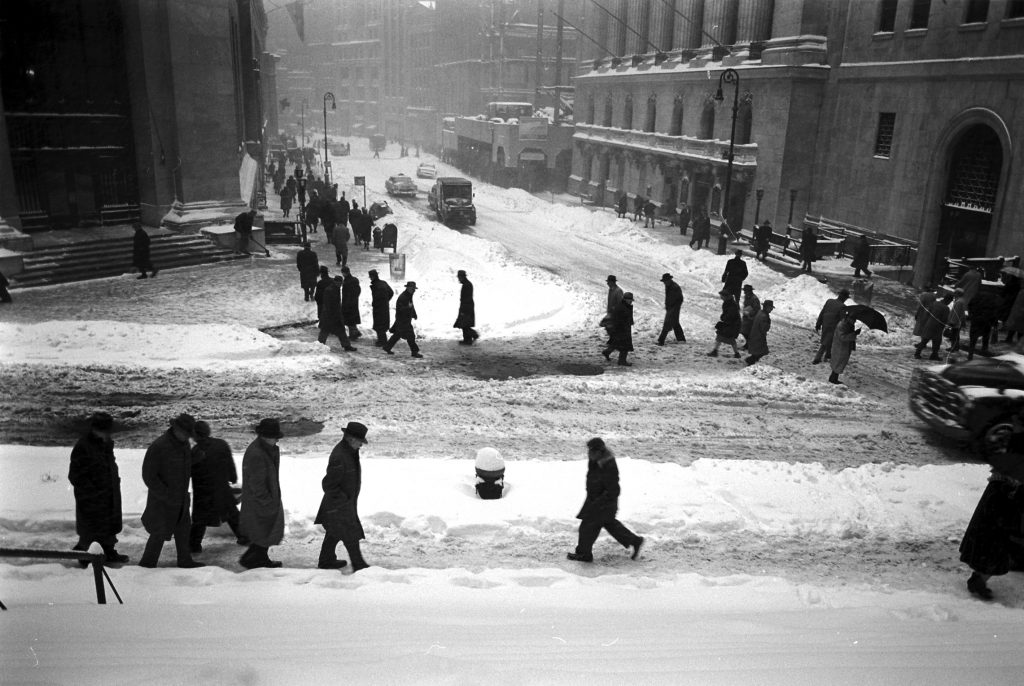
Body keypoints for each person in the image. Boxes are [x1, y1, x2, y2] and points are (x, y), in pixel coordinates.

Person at [958, 423, 1024, 600]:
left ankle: (984, 574)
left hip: (1005, 490)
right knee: (995, 541)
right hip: (1006, 494)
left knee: (997, 540)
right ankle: (979, 579)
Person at [139, 413, 205, 568]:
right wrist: (165, 494)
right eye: (184, 433)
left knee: (183, 532)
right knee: (158, 534)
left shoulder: (184, 445)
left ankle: (185, 560)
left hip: (181, 498)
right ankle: (146, 566)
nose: (186, 436)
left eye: (188, 434)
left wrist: (196, 457)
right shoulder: (159, 446)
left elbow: (184, 465)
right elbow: (148, 475)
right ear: (175, 428)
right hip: (163, 502)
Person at [566, 437, 644, 563]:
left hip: (604, 504)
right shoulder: (594, 461)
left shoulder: (608, 465)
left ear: (599, 451)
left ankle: (584, 554)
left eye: (591, 451)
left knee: (588, 526)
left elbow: (613, 490)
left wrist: (598, 502)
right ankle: (635, 541)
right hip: (595, 501)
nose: (588, 453)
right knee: (611, 525)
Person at [69, 412, 127, 565]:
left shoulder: (104, 444)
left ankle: (108, 551)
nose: (108, 434)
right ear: (96, 429)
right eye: (105, 430)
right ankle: (84, 556)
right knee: (91, 530)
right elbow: (75, 476)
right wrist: (92, 493)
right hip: (92, 499)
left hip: (108, 495)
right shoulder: (83, 446)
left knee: (107, 527)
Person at [315, 421, 371, 572]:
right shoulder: (340, 456)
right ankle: (358, 563)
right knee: (350, 533)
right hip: (338, 504)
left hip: (342, 502)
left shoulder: (349, 452)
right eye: (360, 442)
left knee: (334, 531)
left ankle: (326, 560)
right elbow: (328, 485)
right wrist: (343, 500)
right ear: (351, 439)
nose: (361, 445)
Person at [189, 421, 246, 554]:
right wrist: (233, 478)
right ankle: (244, 537)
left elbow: (190, 470)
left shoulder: (195, 449)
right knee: (232, 513)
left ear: (195, 434)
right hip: (221, 486)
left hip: (202, 489)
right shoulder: (221, 444)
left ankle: (194, 545)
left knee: (200, 519)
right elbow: (229, 463)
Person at [238, 419, 287, 569]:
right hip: (260, 502)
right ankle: (250, 559)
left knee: (265, 532)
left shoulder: (264, 449)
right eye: (275, 436)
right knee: (263, 532)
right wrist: (268, 501)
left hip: (263, 500)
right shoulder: (257, 454)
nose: (277, 439)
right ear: (265, 436)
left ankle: (260, 558)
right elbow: (257, 484)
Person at [384, 281, 423, 358]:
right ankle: (414, 352)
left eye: (414, 288)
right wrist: (408, 308)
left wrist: (414, 313)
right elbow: (401, 309)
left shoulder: (408, 295)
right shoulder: (403, 297)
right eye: (412, 288)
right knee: (410, 336)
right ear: (408, 288)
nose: (414, 290)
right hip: (403, 320)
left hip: (404, 320)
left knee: (398, 334)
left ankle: (387, 347)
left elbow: (411, 306)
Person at [318, 276, 356, 351]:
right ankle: (319, 346)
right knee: (325, 331)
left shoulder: (336, 288)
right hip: (329, 315)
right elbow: (328, 304)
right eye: (340, 283)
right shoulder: (329, 290)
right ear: (336, 282)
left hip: (335, 314)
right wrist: (332, 315)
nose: (341, 285)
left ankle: (347, 346)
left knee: (341, 331)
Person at [812, 289, 850, 365]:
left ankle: (828, 355)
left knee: (829, 341)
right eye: (846, 298)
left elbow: (822, 312)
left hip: (825, 324)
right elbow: (842, 320)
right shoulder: (843, 307)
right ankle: (817, 358)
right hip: (833, 327)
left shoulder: (829, 301)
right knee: (826, 342)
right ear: (844, 298)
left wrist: (818, 323)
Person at [601, 291, 635, 367]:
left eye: (631, 300)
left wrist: (630, 321)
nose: (630, 301)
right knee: (624, 346)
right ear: (625, 299)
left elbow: (628, 316)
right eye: (629, 300)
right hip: (621, 329)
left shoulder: (626, 306)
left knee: (616, 343)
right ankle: (622, 361)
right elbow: (617, 319)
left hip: (623, 328)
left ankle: (607, 352)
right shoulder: (621, 307)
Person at [914, 293, 952, 360]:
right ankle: (934, 355)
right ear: (948, 300)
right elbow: (944, 320)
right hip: (937, 328)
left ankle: (917, 353)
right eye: (950, 301)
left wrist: (925, 322)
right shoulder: (946, 308)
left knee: (924, 340)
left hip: (929, 324)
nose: (950, 303)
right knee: (937, 342)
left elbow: (927, 313)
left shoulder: (934, 303)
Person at [827, 308, 860, 383]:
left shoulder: (849, 324)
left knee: (840, 362)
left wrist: (854, 333)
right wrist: (854, 334)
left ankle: (834, 378)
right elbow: (843, 337)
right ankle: (833, 378)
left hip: (844, 347)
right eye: (853, 319)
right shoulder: (842, 325)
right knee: (838, 362)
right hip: (841, 346)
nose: (854, 321)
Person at [967, 290, 1000, 361]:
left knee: (973, 338)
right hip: (986, 321)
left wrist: (971, 315)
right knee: (986, 336)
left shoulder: (978, 296)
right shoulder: (993, 300)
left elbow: (970, 305)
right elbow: (995, 313)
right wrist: (994, 323)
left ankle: (970, 354)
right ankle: (984, 350)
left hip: (976, 320)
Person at [708, 290, 742, 358]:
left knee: (723, 336)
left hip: (732, 324)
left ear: (726, 296)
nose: (721, 298)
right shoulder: (729, 303)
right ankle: (736, 353)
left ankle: (716, 351)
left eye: (722, 296)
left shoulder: (731, 304)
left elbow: (730, 315)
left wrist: (723, 318)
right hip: (731, 324)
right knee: (726, 337)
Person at [656, 273, 686, 346]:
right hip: (671, 307)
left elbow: (680, 299)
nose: (664, 283)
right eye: (664, 281)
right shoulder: (669, 286)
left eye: (665, 281)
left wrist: (673, 307)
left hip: (674, 308)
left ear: (669, 280)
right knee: (675, 322)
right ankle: (681, 339)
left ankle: (661, 340)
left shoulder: (674, 287)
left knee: (667, 323)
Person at [368, 269, 394, 346]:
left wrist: (379, 303)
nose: (370, 278)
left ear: (372, 277)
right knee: (382, 324)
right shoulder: (383, 283)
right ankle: (382, 340)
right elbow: (391, 292)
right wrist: (386, 301)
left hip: (378, 308)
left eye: (370, 277)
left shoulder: (376, 286)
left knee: (379, 325)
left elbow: (377, 298)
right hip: (384, 307)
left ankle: (382, 341)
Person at [745, 299, 774, 366]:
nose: (771, 309)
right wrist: (768, 324)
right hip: (758, 337)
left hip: (755, 336)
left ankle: (751, 361)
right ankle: (750, 362)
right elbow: (764, 328)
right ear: (766, 307)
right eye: (770, 308)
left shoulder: (760, 312)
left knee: (757, 353)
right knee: (761, 353)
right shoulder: (764, 316)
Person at [454, 269, 478, 345]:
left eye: (459, 277)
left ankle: (473, 335)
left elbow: (466, 298)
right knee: (464, 324)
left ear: (462, 277)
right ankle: (467, 340)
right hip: (467, 306)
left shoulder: (466, 285)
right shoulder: (467, 284)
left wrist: (463, 309)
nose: (458, 279)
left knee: (464, 324)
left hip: (466, 306)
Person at [340, 266, 363, 340]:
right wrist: (355, 298)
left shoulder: (347, 282)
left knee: (349, 320)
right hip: (354, 302)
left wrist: (346, 304)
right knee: (352, 319)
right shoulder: (354, 280)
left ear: (344, 273)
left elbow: (346, 295)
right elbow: (358, 290)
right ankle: (356, 332)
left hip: (348, 303)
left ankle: (353, 335)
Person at [602, 275, 624, 345]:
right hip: (611, 312)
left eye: (608, 282)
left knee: (611, 326)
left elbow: (621, 303)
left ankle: (614, 339)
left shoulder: (618, 291)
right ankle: (613, 339)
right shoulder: (611, 290)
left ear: (612, 282)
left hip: (616, 313)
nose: (607, 283)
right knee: (608, 325)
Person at [739, 284, 761, 350]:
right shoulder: (746, 297)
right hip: (746, 317)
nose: (744, 292)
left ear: (749, 291)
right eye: (744, 291)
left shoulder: (754, 298)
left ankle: (748, 345)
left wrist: (750, 313)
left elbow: (757, 309)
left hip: (752, 318)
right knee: (743, 331)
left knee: (749, 332)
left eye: (746, 291)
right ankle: (748, 345)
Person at [946, 288, 968, 353]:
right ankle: (956, 347)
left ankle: (953, 347)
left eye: (955, 293)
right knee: (956, 335)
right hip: (958, 321)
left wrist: (952, 322)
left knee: (954, 335)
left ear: (957, 294)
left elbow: (956, 313)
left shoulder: (959, 302)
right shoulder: (961, 300)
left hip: (956, 322)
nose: (954, 294)